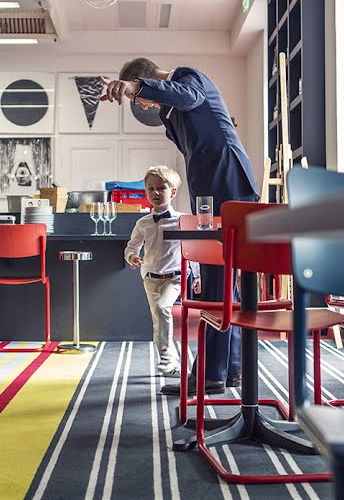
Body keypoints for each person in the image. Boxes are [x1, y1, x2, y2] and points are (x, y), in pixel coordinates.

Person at [101, 58, 260, 396]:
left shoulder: (189, 78)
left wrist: (137, 87)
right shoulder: (166, 112)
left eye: (136, 97)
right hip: (208, 186)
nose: (140, 103)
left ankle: (212, 373)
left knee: (219, 277)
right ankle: (229, 368)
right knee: (222, 280)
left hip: (227, 180)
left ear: (143, 80)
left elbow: (187, 97)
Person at [125, 165, 199, 377]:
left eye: (161, 188)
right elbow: (131, 246)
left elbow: (192, 249)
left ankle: (168, 363)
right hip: (150, 278)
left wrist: (198, 275)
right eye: (150, 189)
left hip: (176, 278)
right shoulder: (143, 223)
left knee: (163, 307)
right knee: (158, 318)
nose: (155, 193)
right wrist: (132, 257)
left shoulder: (183, 220)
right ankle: (168, 361)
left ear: (172, 192)